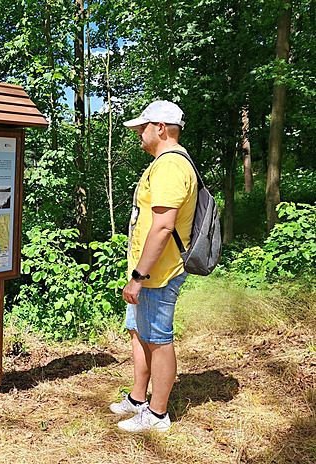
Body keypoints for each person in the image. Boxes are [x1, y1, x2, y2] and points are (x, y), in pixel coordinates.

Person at [110, 100, 197, 433]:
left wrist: (138, 277)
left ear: (160, 127)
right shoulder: (165, 163)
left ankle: (158, 414)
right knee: (138, 330)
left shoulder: (170, 166)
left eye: (142, 129)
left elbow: (162, 228)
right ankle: (137, 398)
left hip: (158, 274)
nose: (138, 136)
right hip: (148, 271)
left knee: (158, 339)